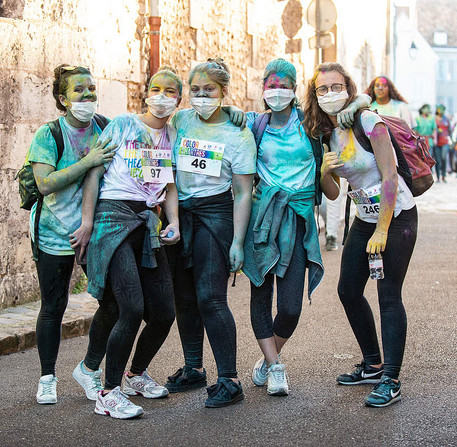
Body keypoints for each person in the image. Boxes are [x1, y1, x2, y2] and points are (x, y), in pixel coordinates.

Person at [241, 58, 370, 396]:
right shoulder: (254, 124)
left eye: (284, 85)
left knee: (290, 307)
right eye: (271, 85)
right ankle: (276, 367)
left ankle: (269, 358)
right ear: (263, 89)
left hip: (298, 220)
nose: (277, 91)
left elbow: (333, 191)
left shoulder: (312, 126)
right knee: (260, 292)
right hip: (262, 220)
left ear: (295, 89)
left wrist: (326, 170)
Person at [70, 66, 181, 419]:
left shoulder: (175, 136)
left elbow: (171, 186)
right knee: (129, 307)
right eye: (156, 88)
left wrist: (174, 221)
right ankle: (108, 391)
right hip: (112, 218)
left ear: (179, 99)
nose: (162, 96)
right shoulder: (122, 125)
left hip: (148, 223)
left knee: (164, 312)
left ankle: (135, 375)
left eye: (170, 91)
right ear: (146, 92)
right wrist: (87, 223)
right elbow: (94, 172)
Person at [305, 62, 417, 407]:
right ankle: (373, 364)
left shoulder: (369, 121)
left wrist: (382, 229)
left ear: (348, 88)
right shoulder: (328, 132)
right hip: (365, 218)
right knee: (349, 290)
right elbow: (335, 193)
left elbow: (389, 177)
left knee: (388, 294)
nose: (329, 94)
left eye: (336, 87)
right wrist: (325, 172)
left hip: (395, 215)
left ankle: (391, 379)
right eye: (322, 89)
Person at [163, 58, 256, 408]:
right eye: (196, 91)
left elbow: (244, 191)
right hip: (180, 214)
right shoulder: (183, 119)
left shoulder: (238, 133)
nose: (201, 97)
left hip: (216, 216)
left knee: (210, 297)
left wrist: (237, 241)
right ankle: (193, 367)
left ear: (223, 92)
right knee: (184, 297)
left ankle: (230, 379)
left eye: (210, 91)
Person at [27, 64, 116, 405]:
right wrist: (88, 160)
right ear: (63, 99)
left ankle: (89, 368)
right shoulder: (49, 134)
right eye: (79, 90)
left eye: (91, 89)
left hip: (95, 233)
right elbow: (45, 183)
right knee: (54, 306)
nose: (88, 95)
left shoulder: (106, 127)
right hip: (53, 234)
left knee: (113, 302)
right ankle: (47, 377)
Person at [434, 104, 452, 182]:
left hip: (445, 142)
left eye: (443, 109)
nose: (441, 111)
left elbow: (450, 130)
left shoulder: (446, 119)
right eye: (440, 109)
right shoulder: (434, 119)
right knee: (437, 159)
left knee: (444, 158)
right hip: (436, 143)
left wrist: (450, 139)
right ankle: (438, 177)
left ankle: (443, 175)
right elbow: (433, 130)